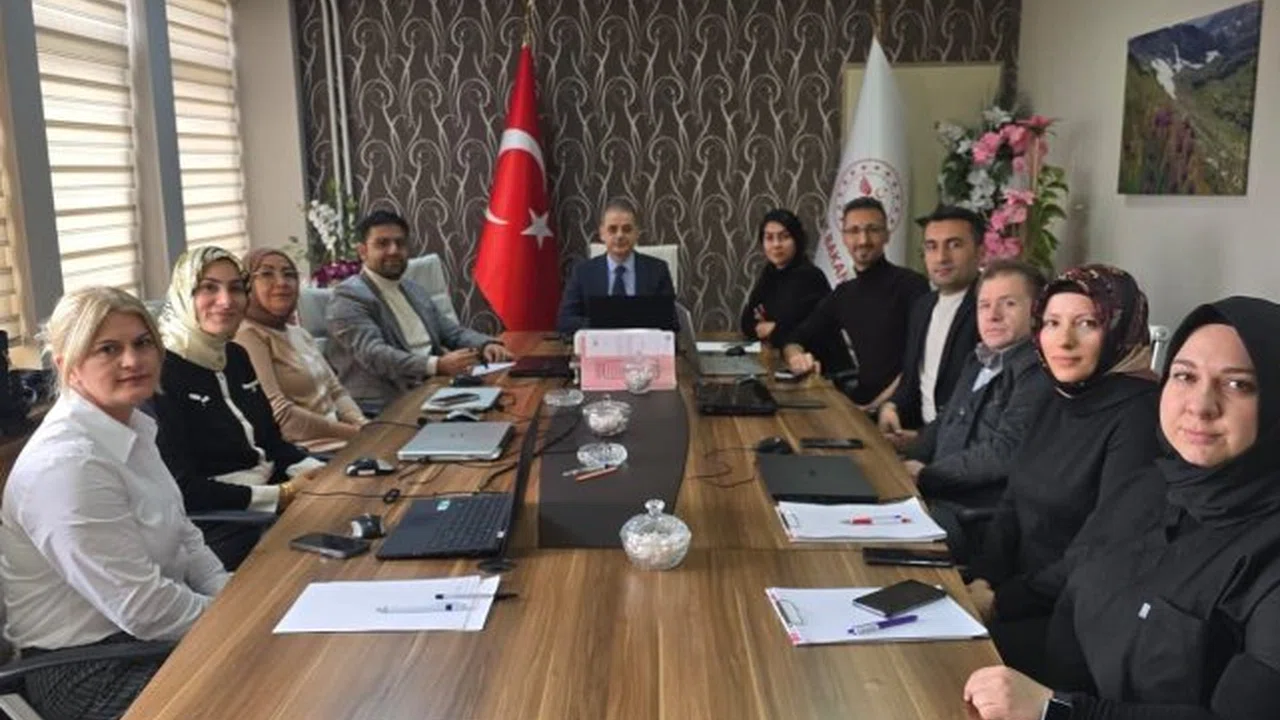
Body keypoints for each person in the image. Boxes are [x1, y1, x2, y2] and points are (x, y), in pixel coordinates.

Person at [965, 296, 1280, 720]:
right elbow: (1078, 573)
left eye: (1238, 384)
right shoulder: (1150, 485)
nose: (1200, 405)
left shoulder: (1268, 552)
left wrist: (1056, 710)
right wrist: (996, 604)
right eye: (1185, 376)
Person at [0, 287, 229, 720]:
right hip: (88, 671)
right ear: (68, 366)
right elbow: (143, 609)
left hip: (150, 636)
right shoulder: (66, 465)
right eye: (108, 349)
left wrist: (229, 593)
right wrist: (237, 618)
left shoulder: (131, 427)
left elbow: (184, 535)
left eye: (143, 343)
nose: (132, 360)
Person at [965, 264, 1162, 680]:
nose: (1064, 340)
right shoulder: (1057, 394)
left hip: (1073, 621)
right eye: (1052, 323)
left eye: (1087, 324)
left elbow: (1103, 550)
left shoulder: (1141, 415)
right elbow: (1012, 500)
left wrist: (1000, 601)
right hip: (1014, 595)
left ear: (1120, 328)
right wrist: (983, 578)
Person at [152, 247, 323, 569]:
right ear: (183, 294)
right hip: (227, 526)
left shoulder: (235, 356)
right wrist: (281, 494)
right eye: (208, 288)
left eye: (235, 288)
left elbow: (272, 444)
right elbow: (183, 487)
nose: (226, 301)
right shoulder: (159, 373)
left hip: (276, 501)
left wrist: (321, 473)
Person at [904, 260, 1052, 562]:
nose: (993, 315)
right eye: (984, 305)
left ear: (1037, 311)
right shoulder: (979, 359)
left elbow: (1004, 452)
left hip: (976, 519)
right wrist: (910, 459)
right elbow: (945, 420)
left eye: (1008, 304)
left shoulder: (1036, 371)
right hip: (936, 496)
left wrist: (926, 474)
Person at [326, 209, 510, 409]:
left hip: (435, 388)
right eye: (382, 243)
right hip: (387, 404)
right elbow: (375, 355)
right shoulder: (348, 297)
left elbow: (452, 332)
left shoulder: (413, 289)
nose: (394, 250)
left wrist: (485, 345)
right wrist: (437, 365)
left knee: (509, 403)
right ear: (362, 251)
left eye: (400, 243)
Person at [782, 197, 930, 408]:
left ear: (887, 235)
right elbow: (795, 338)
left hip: (901, 408)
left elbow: (918, 361)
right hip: (862, 402)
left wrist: (875, 408)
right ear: (843, 238)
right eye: (854, 231)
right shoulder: (844, 294)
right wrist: (796, 357)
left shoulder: (912, 286)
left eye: (873, 230)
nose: (863, 240)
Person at [235, 248, 368, 452]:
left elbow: (336, 391)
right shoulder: (247, 336)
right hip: (308, 453)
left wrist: (363, 424)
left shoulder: (299, 333)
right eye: (267, 274)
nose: (282, 282)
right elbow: (280, 415)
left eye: (289, 274)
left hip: (344, 441)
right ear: (247, 286)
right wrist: (354, 433)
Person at [877, 205, 984, 449]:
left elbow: (977, 403)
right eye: (931, 246)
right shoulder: (922, 306)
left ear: (980, 252)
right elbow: (912, 380)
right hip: (918, 434)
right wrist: (892, 406)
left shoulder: (988, 311)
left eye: (954, 245)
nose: (941, 257)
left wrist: (924, 441)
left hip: (962, 447)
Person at [556, 199, 677, 335]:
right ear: (602, 234)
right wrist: (607, 323)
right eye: (612, 229)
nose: (619, 235)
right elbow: (565, 321)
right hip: (599, 344)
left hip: (642, 345)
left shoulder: (658, 270)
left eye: (627, 229)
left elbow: (671, 322)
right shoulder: (582, 272)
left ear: (637, 233)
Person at [738, 209, 830, 347]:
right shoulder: (770, 273)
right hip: (782, 355)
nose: (776, 245)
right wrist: (772, 328)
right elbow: (746, 322)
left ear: (797, 240)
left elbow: (807, 331)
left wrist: (773, 329)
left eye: (784, 237)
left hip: (816, 358)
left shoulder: (811, 277)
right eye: (769, 238)